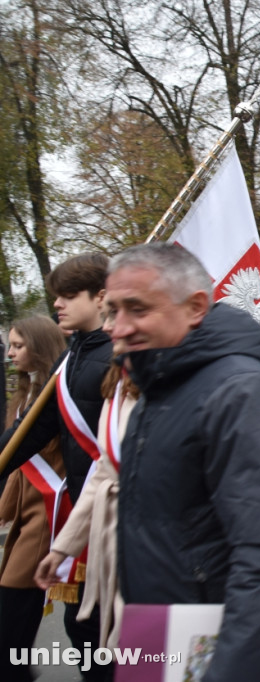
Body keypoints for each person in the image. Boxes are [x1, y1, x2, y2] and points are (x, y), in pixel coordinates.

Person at [105, 243, 260, 682]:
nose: (118, 327)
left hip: (231, 653)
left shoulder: (241, 394)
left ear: (196, 307)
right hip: (167, 638)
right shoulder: (161, 389)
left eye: (137, 309)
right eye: (112, 309)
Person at [0, 253, 112, 681]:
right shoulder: (72, 359)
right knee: (83, 624)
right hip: (85, 514)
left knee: (93, 630)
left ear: (100, 297)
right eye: (56, 297)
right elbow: (31, 430)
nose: (58, 305)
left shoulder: (117, 358)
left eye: (68, 295)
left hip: (112, 515)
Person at [36, 307, 139, 652]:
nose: (107, 327)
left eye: (119, 315)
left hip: (167, 557)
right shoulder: (120, 384)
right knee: (97, 637)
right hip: (118, 541)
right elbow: (104, 472)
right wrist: (63, 548)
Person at [0, 315, 67, 682]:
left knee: (13, 615)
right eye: (10, 346)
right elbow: (15, 465)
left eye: (18, 346)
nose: (10, 354)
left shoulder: (55, 395)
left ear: (39, 348)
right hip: (26, 514)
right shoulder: (25, 393)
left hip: (46, 514)